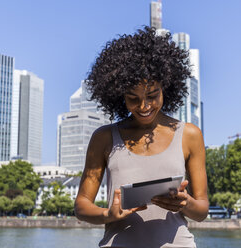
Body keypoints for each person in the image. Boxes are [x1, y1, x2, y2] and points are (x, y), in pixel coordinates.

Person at [75, 26, 208, 248]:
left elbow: (202, 210)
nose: (144, 106)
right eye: (133, 98)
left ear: (166, 87)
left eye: (152, 95)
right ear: (119, 96)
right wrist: (109, 214)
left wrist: (185, 203)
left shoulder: (190, 135)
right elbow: (81, 206)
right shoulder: (104, 137)